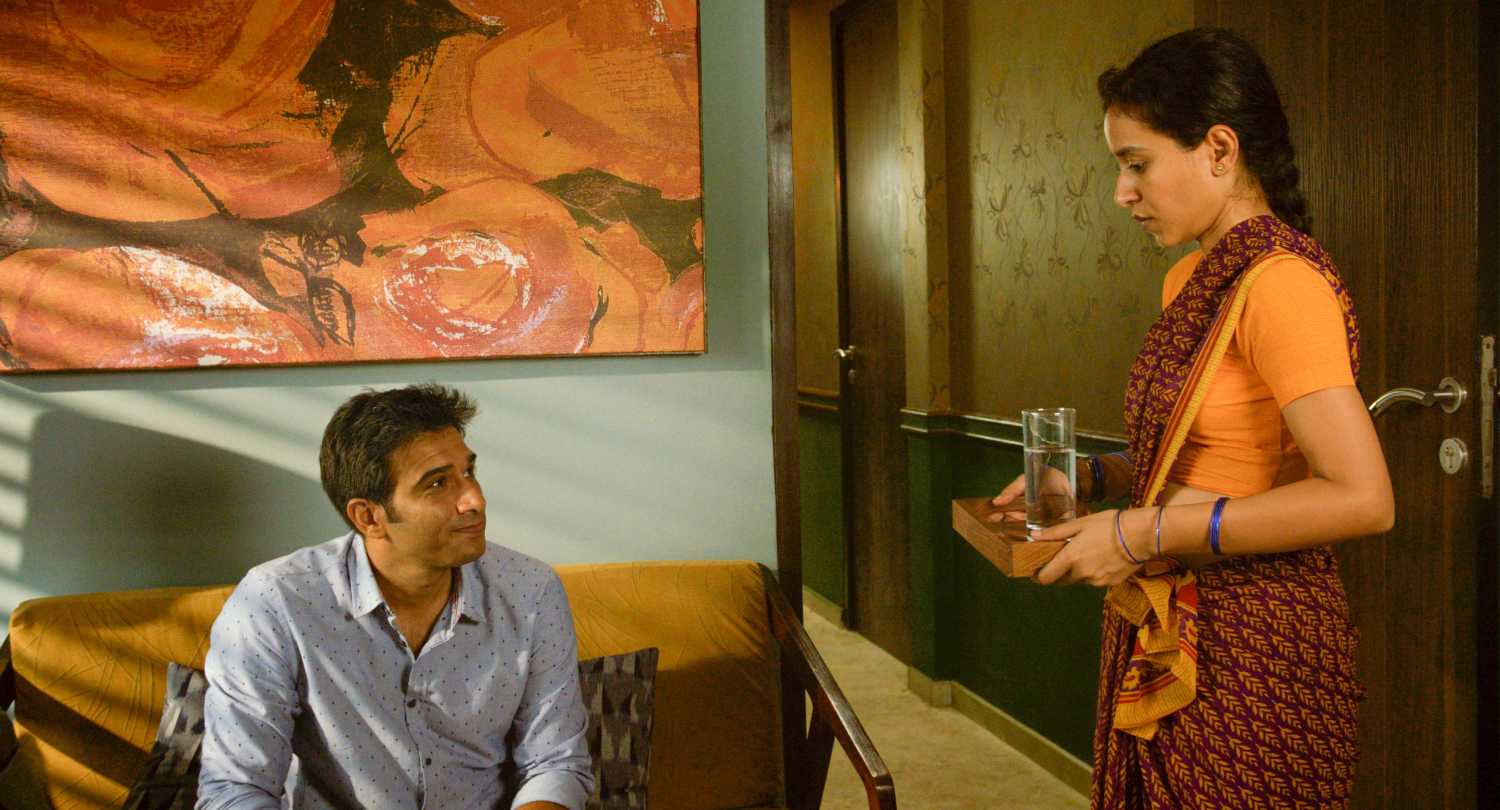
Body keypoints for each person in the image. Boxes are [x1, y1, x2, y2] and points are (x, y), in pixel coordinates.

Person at [989, 28, 1394, 808]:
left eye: (1136, 164)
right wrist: (1095, 476)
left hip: (1255, 637)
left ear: (1219, 150)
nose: (1122, 192)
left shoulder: (1280, 285)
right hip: (1174, 615)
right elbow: (1204, 451)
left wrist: (1138, 534)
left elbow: (1363, 498)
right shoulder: (1191, 278)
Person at [198, 384, 593, 809]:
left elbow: (554, 763)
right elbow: (235, 790)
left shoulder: (531, 590)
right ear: (369, 516)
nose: (474, 500)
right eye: (438, 483)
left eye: (469, 472)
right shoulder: (276, 603)